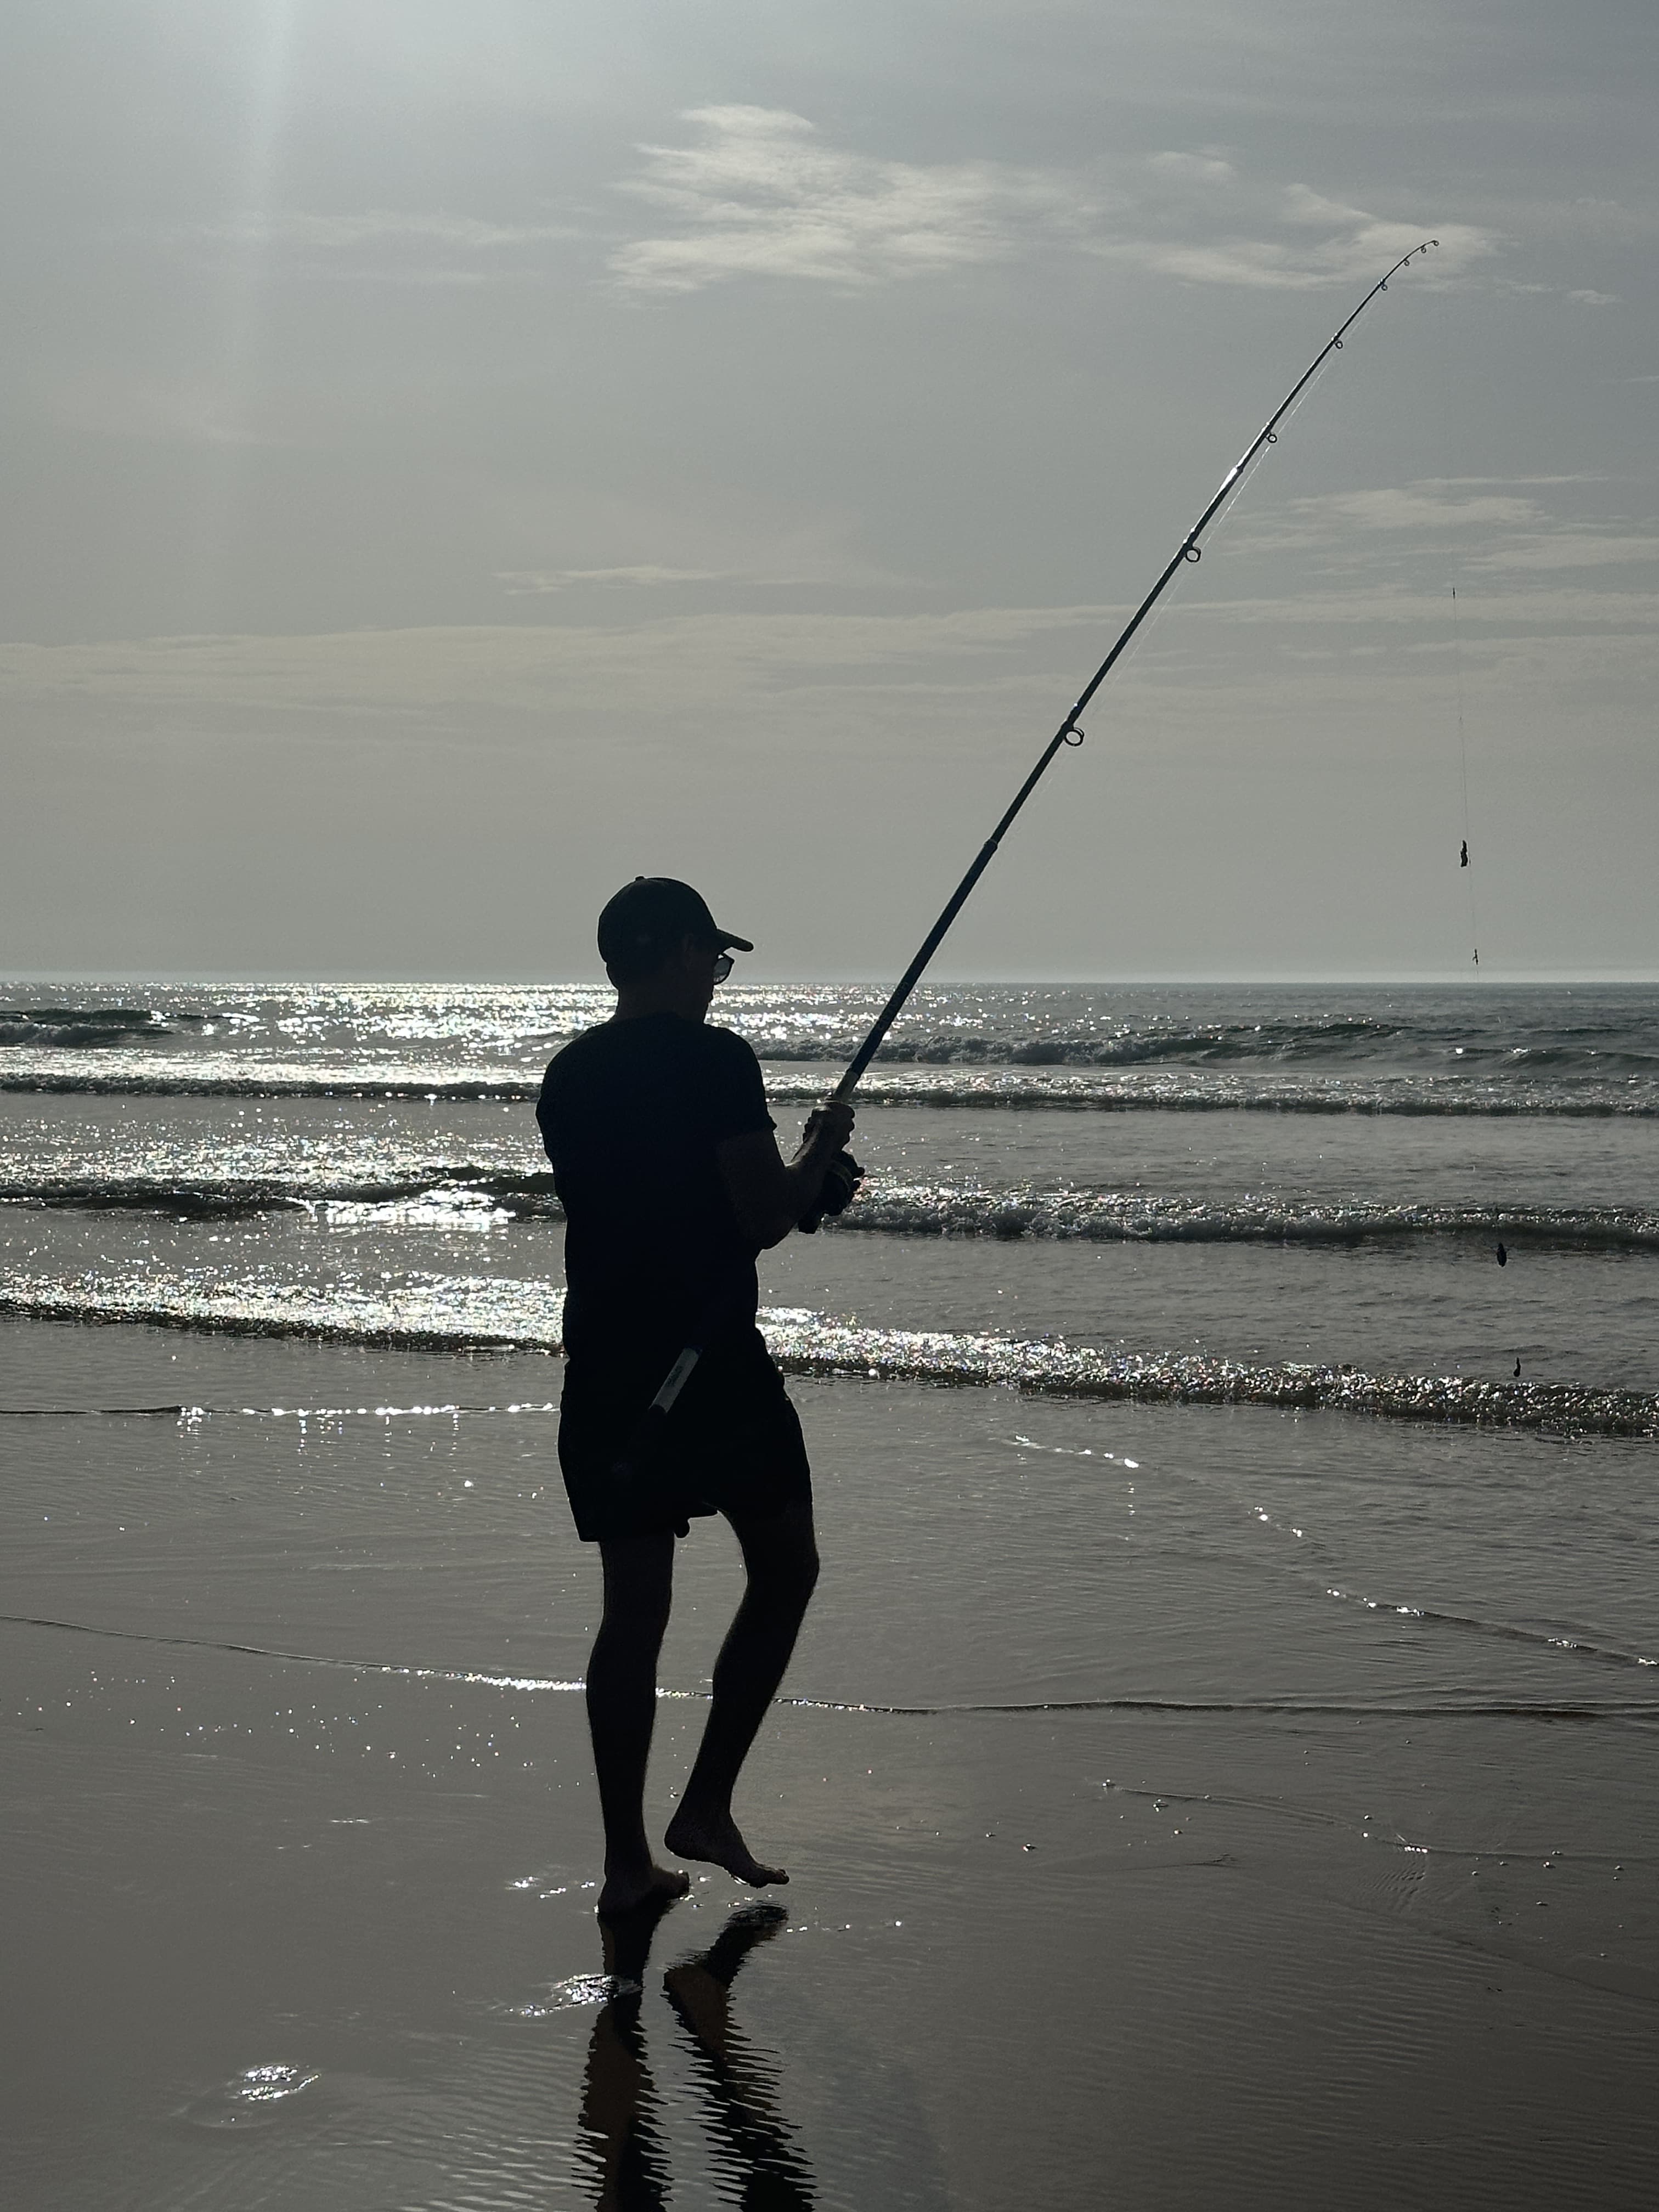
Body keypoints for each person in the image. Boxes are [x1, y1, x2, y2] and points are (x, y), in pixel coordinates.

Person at [537, 877, 857, 1917]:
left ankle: (627, 1865)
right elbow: (759, 1215)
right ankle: (707, 1804)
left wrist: (801, 1185)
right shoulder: (715, 1059)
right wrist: (818, 1158)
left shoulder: (570, 1072)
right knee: (786, 1565)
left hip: (605, 1363)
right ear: (677, 952)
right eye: (713, 959)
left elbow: (657, 1202)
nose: (717, 979)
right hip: (710, 1363)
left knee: (633, 1612)